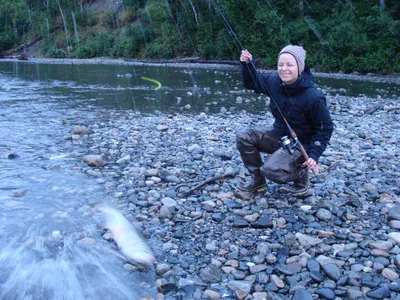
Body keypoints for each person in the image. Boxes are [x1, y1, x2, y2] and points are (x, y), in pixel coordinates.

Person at [235, 45, 333, 199]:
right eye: (280, 64)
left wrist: (314, 154)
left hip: (302, 146)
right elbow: (253, 82)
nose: (284, 69)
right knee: (244, 136)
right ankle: (257, 181)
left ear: (300, 67)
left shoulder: (313, 96)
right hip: (280, 137)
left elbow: (325, 128)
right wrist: (247, 64)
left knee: (270, 169)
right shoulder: (274, 82)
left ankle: (301, 174)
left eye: (289, 65)